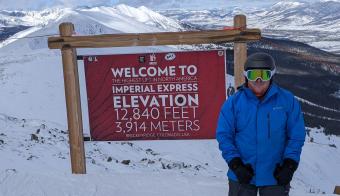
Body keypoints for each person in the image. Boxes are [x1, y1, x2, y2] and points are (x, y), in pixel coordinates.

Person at [216, 52, 306, 196]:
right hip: (242, 175)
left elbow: (296, 135)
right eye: (253, 75)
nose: (258, 80)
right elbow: (224, 135)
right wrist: (236, 164)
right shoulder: (233, 103)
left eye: (264, 75)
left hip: (275, 175)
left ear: (272, 75)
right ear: (246, 76)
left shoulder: (287, 101)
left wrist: (289, 165)